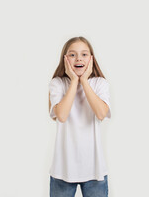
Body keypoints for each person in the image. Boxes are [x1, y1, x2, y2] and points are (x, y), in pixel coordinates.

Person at [48, 36, 112, 197]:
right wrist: (74, 81)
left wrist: (84, 80)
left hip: (95, 170)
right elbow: (61, 115)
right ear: (65, 59)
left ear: (91, 59)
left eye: (84, 54)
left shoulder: (100, 83)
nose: (78, 58)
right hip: (62, 170)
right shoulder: (58, 83)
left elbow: (101, 113)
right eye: (72, 54)